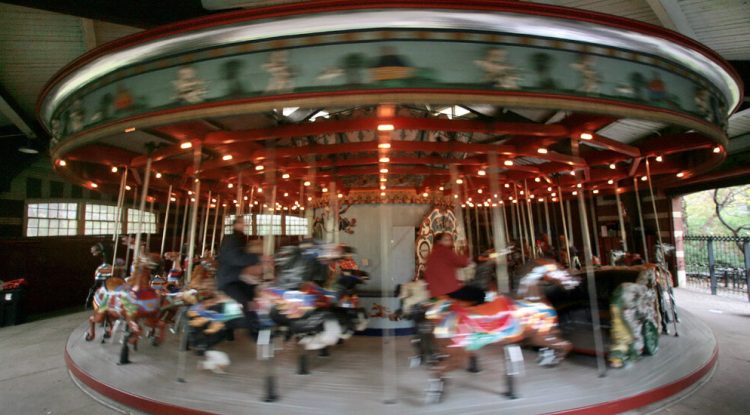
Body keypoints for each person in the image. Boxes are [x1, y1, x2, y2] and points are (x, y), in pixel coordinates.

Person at [217, 216, 262, 333]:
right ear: (235, 224)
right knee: (246, 303)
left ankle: (230, 328)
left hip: (236, 277)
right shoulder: (232, 238)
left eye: (245, 223)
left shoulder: (239, 238)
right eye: (242, 223)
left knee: (251, 295)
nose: (245, 225)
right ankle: (255, 330)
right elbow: (235, 258)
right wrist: (258, 258)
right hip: (229, 279)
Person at [424, 232, 483, 304]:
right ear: (438, 242)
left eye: (450, 240)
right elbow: (463, 262)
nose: (450, 242)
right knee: (480, 294)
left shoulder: (431, 254)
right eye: (446, 240)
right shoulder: (445, 251)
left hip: (434, 292)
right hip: (448, 290)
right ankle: (475, 310)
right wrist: (466, 250)